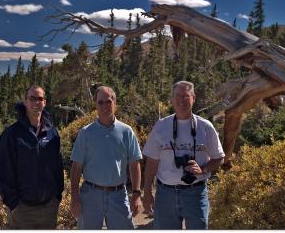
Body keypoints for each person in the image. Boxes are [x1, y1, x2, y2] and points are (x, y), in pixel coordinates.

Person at [142, 81, 225, 229]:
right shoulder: (161, 126)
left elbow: (219, 157)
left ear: (194, 98)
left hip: (196, 193)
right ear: (172, 99)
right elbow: (152, 161)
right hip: (165, 194)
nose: (181, 100)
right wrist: (147, 191)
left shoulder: (205, 127)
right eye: (178, 96)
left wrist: (204, 169)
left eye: (186, 96)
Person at [70, 86, 143, 229]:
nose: (104, 106)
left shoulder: (126, 131)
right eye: (100, 102)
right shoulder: (86, 133)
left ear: (115, 103)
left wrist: (136, 194)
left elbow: (134, 164)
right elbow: (76, 167)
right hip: (90, 196)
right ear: (95, 105)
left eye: (108, 101)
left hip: (119, 195)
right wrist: (74, 197)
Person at [0, 85, 64, 229]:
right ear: (25, 102)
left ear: (44, 102)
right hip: (22, 210)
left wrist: (57, 197)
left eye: (40, 99)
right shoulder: (12, 134)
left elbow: (58, 167)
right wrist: (13, 204)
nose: (36, 102)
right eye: (32, 98)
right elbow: (3, 172)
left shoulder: (52, 133)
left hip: (49, 208)